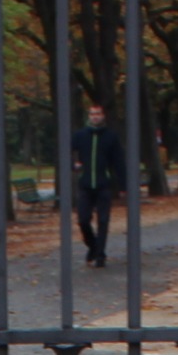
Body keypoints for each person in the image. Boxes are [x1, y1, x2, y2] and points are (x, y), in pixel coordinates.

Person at [71, 99, 128, 267]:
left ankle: (100, 255)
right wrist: (72, 165)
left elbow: (119, 162)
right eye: (92, 114)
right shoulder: (80, 135)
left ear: (103, 116)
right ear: (89, 116)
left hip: (104, 184)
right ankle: (94, 247)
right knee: (83, 220)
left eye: (98, 114)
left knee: (103, 221)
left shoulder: (111, 137)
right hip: (85, 184)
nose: (95, 117)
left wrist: (123, 186)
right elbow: (65, 152)